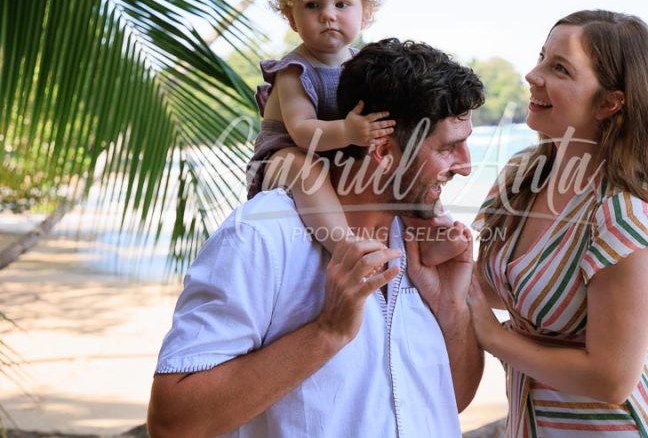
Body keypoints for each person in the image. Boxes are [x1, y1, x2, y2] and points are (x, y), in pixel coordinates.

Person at [148, 38, 486, 437]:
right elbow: (172, 422)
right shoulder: (262, 236)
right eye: (449, 148)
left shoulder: (428, 245)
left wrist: (451, 307)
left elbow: (453, 398)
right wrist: (327, 332)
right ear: (382, 148)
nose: (465, 167)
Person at [468, 10, 648, 437]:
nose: (533, 75)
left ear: (609, 102)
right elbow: (501, 288)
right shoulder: (522, 179)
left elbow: (611, 380)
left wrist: (493, 338)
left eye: (560, 68)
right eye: (541, 58)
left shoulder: (624, 219)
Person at [245, 0, 465, 264]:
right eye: (312, 6)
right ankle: (345, 247)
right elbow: (303, 131)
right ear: (291, 17)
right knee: (305, 167)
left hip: (338, 149)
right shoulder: (293, 71)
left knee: (408, 163)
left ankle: (432, 231)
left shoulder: (362, 63)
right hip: (285, 156)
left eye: (342, 4)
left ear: (366, 12)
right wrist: (348, 132)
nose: (328, 16)